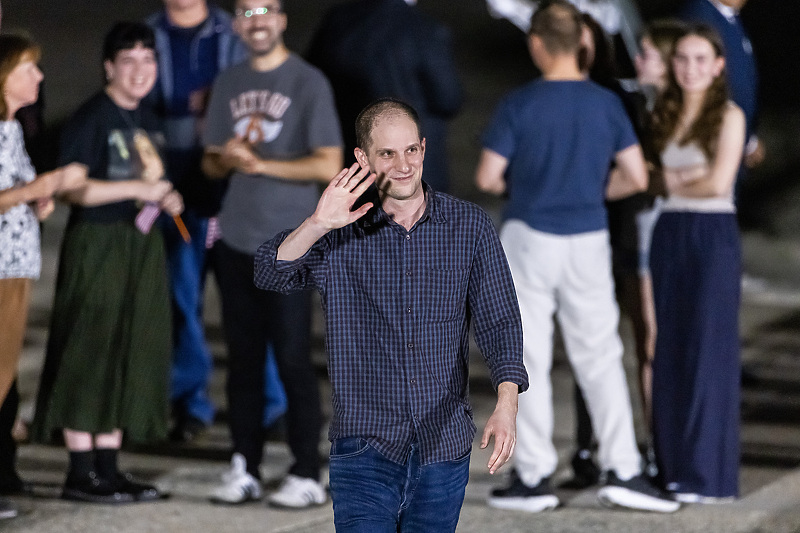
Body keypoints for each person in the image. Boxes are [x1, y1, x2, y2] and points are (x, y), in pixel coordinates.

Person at [255, 97, 528, 533]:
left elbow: (500, 321)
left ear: (423, 148)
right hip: (365, 446)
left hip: (443, 445)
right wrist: (317, 224)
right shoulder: (339, 233)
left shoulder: (469, 226)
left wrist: (507, 402)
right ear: (362, 159)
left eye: (411, 151)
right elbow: (271, 273)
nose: (403, 165)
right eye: (387, 154)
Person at [475, 0, 679, 513]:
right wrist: (589, 191)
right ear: (583, 44)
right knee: (601, 356)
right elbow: (635, 176)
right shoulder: (605, 103)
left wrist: (526, 187)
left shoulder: (519, 103)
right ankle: (624, 469)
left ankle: (534, 476)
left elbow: (486, 177)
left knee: (529, 359)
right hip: (587, 235)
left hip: (528, 237)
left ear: (536, 44)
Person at [30, 22, 184, 504]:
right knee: (88, 350)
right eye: (129, 61)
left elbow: (149, 180)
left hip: (141, 246)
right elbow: (73, 187)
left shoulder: (150, 119)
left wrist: (167, 198)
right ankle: (80, 473)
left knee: (129, 348)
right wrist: (138, 190)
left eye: (148, 60)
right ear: (109, 67)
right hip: (98, 244)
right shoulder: (93, 116)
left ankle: (108, 469)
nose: (140, 71)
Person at [200, 0, 342, 508]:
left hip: (290, 245)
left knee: (292, 360)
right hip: (236, 239)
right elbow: (212, 162)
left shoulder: (308, 82)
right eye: (246, 10)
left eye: (266, 9)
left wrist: (261, 166)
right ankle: (244, 464)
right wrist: (228, 159)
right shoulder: (230, 80)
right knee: (242, 362)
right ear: (236, 24)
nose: (256, 20)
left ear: (282, 20)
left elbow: (329, 162)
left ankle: (307, 469)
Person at [648, 23, 745, 503]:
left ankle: (708, 476)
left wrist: (671, 179)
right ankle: (673, 469)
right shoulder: (663, 113)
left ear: (719, 66)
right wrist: (683, 177)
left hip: (711, 236)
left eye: (701, 59)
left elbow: (717, 182)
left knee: (708, 352)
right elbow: (650, 175)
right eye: (682, 58)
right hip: (669, 233)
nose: (690, 68)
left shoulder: (729, 116)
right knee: (671, 351)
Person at [146, 0, 249, 442]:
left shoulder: (234, 34)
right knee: (181, 303)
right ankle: (190, 404)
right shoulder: (147, 36)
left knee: (247, 305)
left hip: (234, 195)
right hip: (173, 194)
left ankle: (267, 406)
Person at [0, 33, 88, 519]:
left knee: (5, 379)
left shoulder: (12, 129)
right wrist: (46, 183)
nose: (39, 77)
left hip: (15, 267)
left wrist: (35, 199)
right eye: (27, 69)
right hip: (1, 271)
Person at [306, 0, 462, 192]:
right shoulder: (426, 29)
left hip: (358, 170)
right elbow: (448, 100)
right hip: (416, 176)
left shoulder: (336, 22)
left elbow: (313, 81)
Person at [680, 0, 763, 170]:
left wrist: (748, 139)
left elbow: (742, 80)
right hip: (711, 142)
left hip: (734, 139)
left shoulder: (730, 18)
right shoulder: (700, 16)